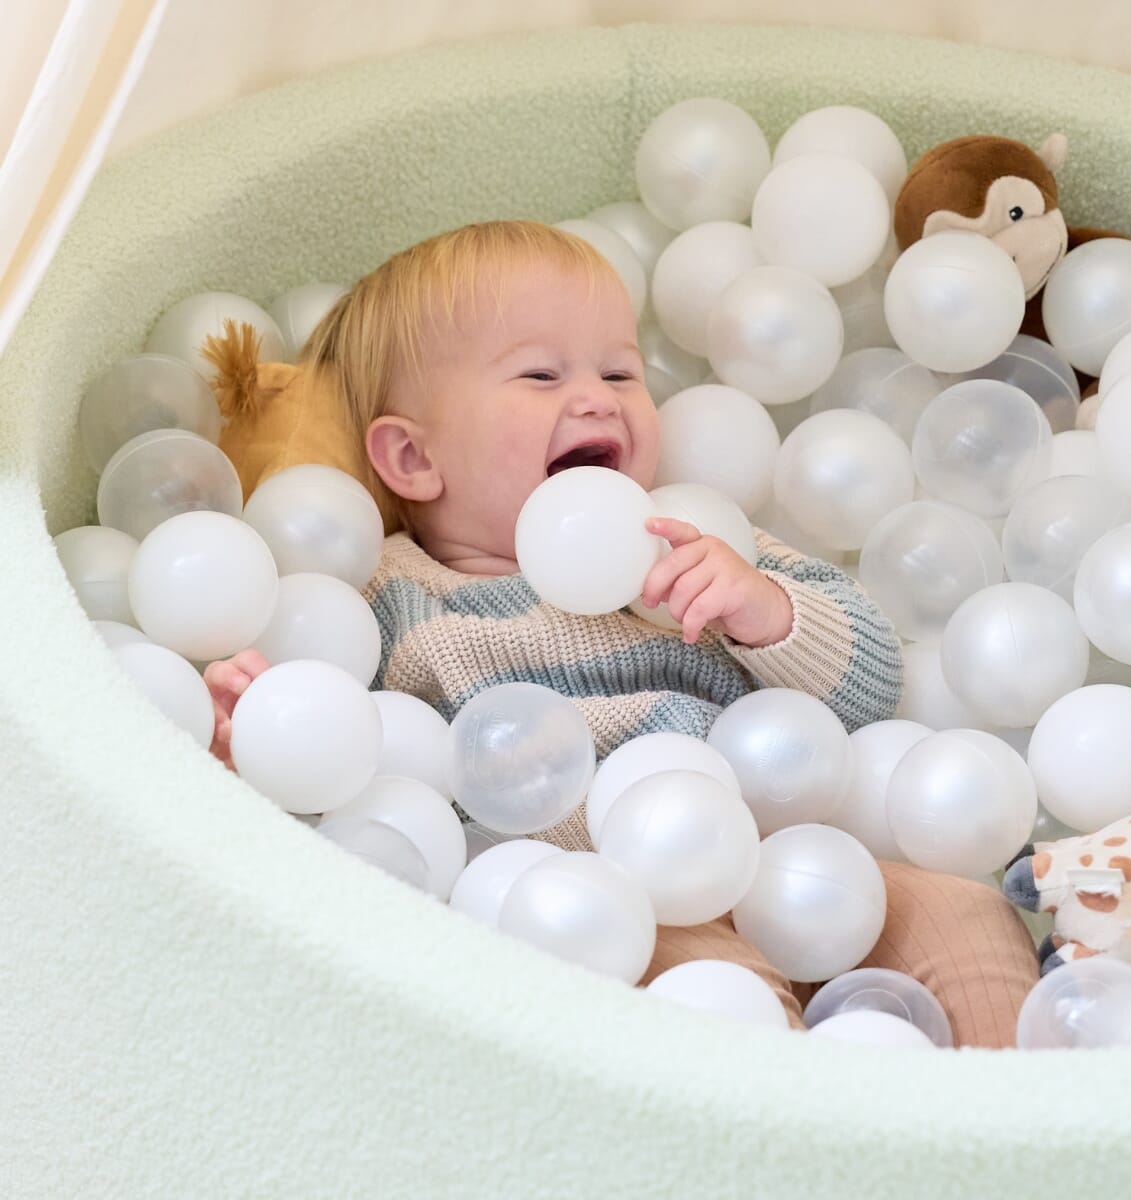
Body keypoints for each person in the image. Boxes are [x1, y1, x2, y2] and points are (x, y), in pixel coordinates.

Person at [203, 220, 1036, 1045]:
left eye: (618, 369)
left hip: (792, 849)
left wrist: (762, 610)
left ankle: (1011, 1131)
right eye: (539, 374)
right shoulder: (389, 596)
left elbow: (869, 682)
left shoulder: (686, 538)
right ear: (414, 460)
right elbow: (355, 786)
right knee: (714, 996)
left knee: (964, 914)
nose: (597, 396)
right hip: (608, 896)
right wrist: (262, 731)